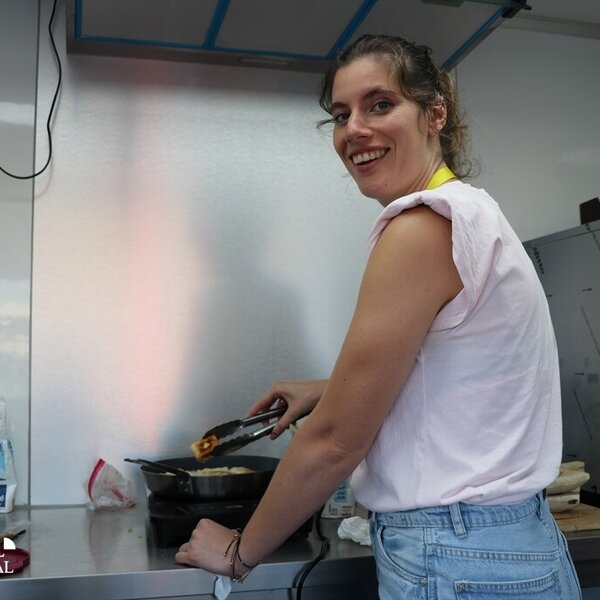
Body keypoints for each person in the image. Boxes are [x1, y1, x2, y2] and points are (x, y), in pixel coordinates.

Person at [176, 34, 581, 599]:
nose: (354, 130)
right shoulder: (474, 211)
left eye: (380, 104)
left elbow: (336, 441)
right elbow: (466, 374)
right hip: (510, 543)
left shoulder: (420, 227)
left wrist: (239, 552)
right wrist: (331, 389)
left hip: (455, 553)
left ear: (434, 114)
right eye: (341, 115)